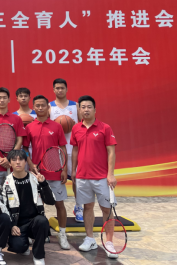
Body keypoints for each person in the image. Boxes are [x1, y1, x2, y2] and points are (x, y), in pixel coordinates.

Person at [71, 96, 118, 259]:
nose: (86, 109)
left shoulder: (105, 128)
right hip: (83, 176)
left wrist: (110, 174)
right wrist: (73, 170)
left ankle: (109, 242)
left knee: (106, 209)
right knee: (87, 207)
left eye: (89, 107)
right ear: (79, 110)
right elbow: (75, 150)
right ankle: (90, 238)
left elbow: (111, 151)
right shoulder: (76, 128)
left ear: (95, 109)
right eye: (83, 107)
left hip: (102, 177)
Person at [23, 95, 70, 250]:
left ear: (48, 107)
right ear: (33, 107)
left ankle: (62, 234)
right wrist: (30, 164)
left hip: (55, 171)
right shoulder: (29, 127)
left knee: (59, 204)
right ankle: (39, 233)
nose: (40, 108)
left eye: (43, 105)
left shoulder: (57, 126)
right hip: (37, 173)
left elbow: (63, 148)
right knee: (37, 205)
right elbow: (25, 148)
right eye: (37, 105)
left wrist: (64, 169)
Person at [1, 150, 55, 266]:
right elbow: (3, 209)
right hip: (18, 225)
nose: (18, 162)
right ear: (10, 163)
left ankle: (38, 255)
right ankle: (24, 244)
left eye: (21, 159)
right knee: (18, 247)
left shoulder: (36, 179)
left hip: (35, 222)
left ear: (26, 162)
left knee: (42, 221)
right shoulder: (6, 184)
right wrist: (12, 225)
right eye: (14, 160)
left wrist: (43, 183)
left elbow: (51, 201)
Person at [49, 78, 82, 222]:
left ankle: (79, 207)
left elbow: (83, 124)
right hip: (56, 149)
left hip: (74, 148)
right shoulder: (49, 107)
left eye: (62, 88)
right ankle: (57, 209)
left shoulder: (75, 106)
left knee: (77, 180)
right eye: (57, 88)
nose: (60, 90)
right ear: (53, 90)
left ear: (67, 89)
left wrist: (74, 125)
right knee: (57, 182)